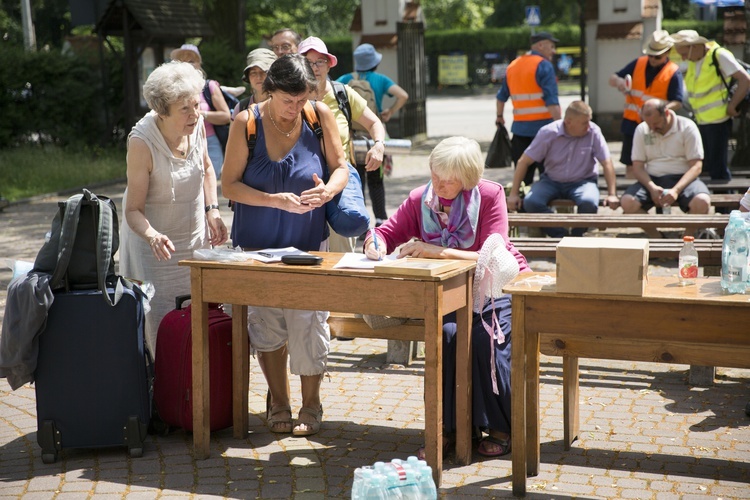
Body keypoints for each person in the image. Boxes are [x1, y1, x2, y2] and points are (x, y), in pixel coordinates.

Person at [364, 136, 531, 459]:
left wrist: (436, 252)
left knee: (487, 342)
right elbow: (384, 232)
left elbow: (490, 255)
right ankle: (450, 430)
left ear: (467, 178)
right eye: (435, 176)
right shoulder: (419, 199)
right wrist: (376, 244)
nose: (439, 185)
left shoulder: (489, 195)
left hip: (493, 289)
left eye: (449, 181)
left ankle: (501, 426)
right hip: (448, 294)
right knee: (445, 336)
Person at [221, 54, 349, 437]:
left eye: (301, 100)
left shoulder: (317, 115)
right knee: (267, 326)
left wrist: (329, 190)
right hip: (256, 249)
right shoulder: (246, 123)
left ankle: (311, 405)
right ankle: (279, 401)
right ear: (268, 89)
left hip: (308, 248)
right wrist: (275, 200)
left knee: (309, 324)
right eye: (287, 101)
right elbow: (229, 185)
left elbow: (342, 166)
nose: (295, 109)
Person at [119, 61, 228, 357]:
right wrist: (153, 235)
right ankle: (162, 392)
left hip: (193, 241)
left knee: (199, 321)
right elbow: (133, 211)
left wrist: (212, 210)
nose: (196, 115)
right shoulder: (142, 143)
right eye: (186, 109)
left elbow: (206, 168)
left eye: (196, 104)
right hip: (155, 250)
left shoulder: (196, 128)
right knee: (159, 327)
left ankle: (195, 391)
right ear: (162, 110)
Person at [298, 36, 386, 252]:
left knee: (342, 247)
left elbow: (374, 121)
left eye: (319, 61)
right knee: (305, 251)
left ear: (329, 64)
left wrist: (378, 145)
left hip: (340, 177)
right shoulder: (291, 98)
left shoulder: (342, 94)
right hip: (302, 180)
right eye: (308, 62)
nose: (314, 68)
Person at [506, 101, 619, 237]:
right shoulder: (548, 132)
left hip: (583, 182)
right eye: (584, 123)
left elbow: (607, 163)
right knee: (531, 202)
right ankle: (561, 235)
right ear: (568, 122)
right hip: (551, 181)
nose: (588, 126)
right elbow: (524, 161)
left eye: (589, 121)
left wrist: (612, 194)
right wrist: (513, 194)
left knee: (588, 202)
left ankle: (576, 237)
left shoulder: (594, 132)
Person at [337, 43, 409, 226]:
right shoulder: (380, 80)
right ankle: (380, 219)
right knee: (376, 180)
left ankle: (358, 221)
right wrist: (390, 112)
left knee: (356, 178)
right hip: (373, 137)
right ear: (374, 62)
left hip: (352, 138)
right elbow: (403, 95)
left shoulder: (345, 79)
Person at [671, 29, 750, 181]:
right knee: (708, 167)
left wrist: (732, 106)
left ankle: (726, 204)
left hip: (718, 120)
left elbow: (745, 79)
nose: (683, 58)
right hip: (702, 120)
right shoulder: (696, 60)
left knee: (718, 169)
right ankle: (721, 202)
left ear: (693, 46)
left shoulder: (719, 55)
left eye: (684, 54)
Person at [609, 30, 684, 178]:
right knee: (630, 164)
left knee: (653, 162)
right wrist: (619, 82)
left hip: (655, 127)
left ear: (668, 52)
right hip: (631, 123)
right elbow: (612, 78)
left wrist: (659, 112)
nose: (653, 59)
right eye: (650, 55)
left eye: (657, 56)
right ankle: (631, 194)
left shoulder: (674, 72)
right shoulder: (639, 62)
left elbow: (677, 102)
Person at [620, 99, 711, 215]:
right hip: (652, 179)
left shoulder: (687, 127)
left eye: (656, 123)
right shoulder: (642, 129)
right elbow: (637, 167)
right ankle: (655, 233)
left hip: (684, 179)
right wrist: (651, 187)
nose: (652, 128)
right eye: (649, 124)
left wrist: (676, 190)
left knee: (702, 201)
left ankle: (688, 233)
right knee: (627, 202)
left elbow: (696, 166)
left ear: (666, 113)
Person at [496, 32, 561, 187]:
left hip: (519, 132)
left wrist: (499, 116)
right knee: (550, 177)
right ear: (540, 45)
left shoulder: (513, 65)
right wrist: (560, 126)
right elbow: (551, 100)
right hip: (545, 132)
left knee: (523, 179)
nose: (554, 51)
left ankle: (522, 205)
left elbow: (501, 97)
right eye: (551, 46)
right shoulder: (544, 65)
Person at [170, 44, 231, 179]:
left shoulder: (209, 86)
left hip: (209, 143)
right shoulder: (171, 89)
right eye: (183, 61)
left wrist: (200, 114)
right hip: (181, 143)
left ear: (199, 63)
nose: (188, 65)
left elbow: (226, 116)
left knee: (208, 183)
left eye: (191, 61)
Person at [234, 48, 277, 115]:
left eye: (264, 72)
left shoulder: (285, 104)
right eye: (253, 72)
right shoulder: (241, 107)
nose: (258, 77)